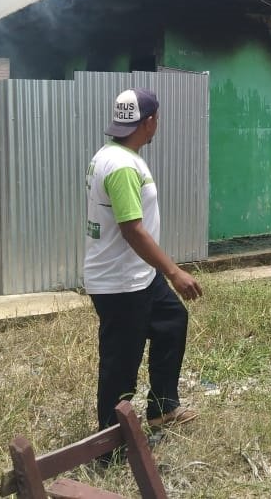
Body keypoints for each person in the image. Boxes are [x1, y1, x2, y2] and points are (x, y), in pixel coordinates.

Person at [84, 87, 203, 442]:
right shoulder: (120, 165)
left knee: (172, 321)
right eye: (157, 119)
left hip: (138, 276)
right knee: (121, 362)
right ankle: (110, 440)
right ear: (149, 122)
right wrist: (174, 271)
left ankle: (163, 408)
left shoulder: (117, 153)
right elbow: (132, 230)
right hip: (120, 282)